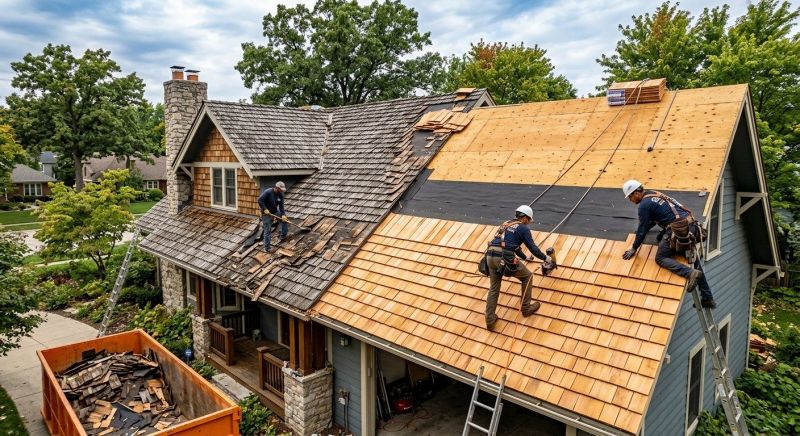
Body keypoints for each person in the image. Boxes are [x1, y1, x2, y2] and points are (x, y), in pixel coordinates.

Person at [621, 180, 716, 308]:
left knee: (660, 257)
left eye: (630, 197)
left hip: (679, 230)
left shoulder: (644, 204)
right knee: (694, 261)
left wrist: (634, 248)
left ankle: (689, 273)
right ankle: (707, 298)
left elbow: (643, 228)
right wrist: (643, 230)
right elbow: (653, 219)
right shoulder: (654, 194)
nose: (631, 200)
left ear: (636, 193)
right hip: (690, 227)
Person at [484, 205, 550, 331]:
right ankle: (526, 309)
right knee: (527, 276)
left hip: (490, 256)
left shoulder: (506, 224)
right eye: (529, 220)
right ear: (524, 217)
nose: (529, 222)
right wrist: (546, 259)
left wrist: (524, 257)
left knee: (494, 288)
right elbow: (533, 248)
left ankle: (490, 320)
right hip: (504, 257)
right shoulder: (523, 228)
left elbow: (514, 246)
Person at [258, 181, 288, 252]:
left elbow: (281, 206)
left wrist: (283, 215)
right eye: (280, 190)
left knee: (285, 220)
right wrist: (265, 209)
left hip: (275, 211)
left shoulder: (280, 195)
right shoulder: (268, 192)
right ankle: (267, 248)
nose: (281, 191)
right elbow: (260, 200)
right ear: (277, 188)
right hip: (266, 213)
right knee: (267, 230)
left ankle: (283, 236)